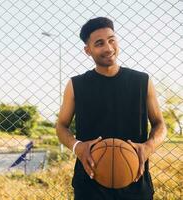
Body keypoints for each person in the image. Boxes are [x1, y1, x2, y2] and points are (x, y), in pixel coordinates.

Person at [56, 17, 167, 200]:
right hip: (90, 185)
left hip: (136, 183)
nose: (108, 48)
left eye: (111, 40)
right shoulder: (76, 85)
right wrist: (78, 147)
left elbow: (160, 124)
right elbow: (61, 125)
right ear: (87, 50)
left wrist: (148, 147)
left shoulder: (142, 81)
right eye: (99, 43)